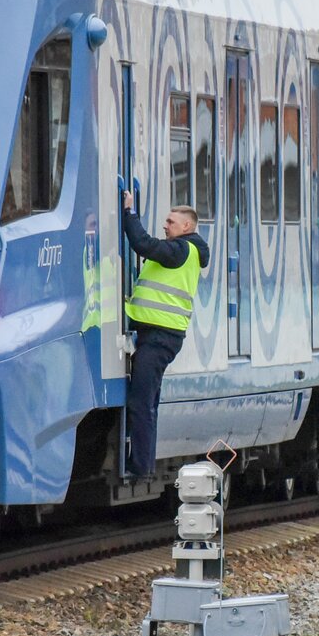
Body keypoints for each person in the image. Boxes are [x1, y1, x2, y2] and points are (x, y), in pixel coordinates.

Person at [122, 190, 210, 480]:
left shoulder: (180, 250)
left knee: (141, 401)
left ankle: (141, 467)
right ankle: (142, 463)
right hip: (159, 335)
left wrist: (128, 213)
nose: (165, 225)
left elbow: (142, 244)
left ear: (186, 226)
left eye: (170, 222)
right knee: (147, 401)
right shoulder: (187, 251)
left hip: (161, 337)